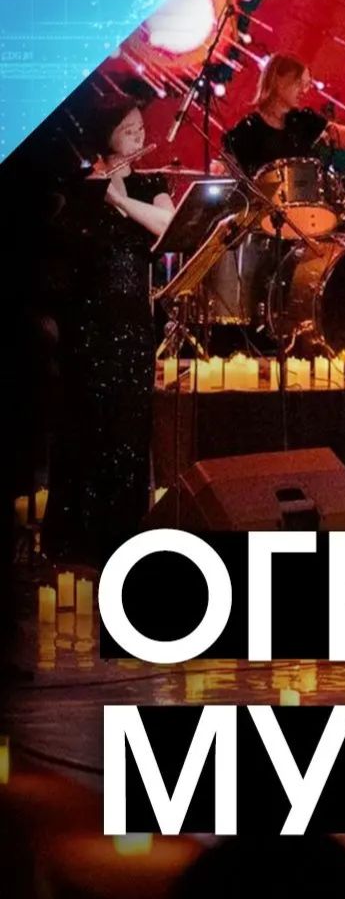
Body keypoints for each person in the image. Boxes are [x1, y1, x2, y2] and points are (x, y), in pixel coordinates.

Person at [42, 98, 175, 564]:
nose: (139, 134)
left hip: (133, 325)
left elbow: (167, 225)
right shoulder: (77, 187)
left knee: (128, 428)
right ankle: (77, 540)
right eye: (128, 127)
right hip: (88, 323)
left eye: (140, 126)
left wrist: (119, 200)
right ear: (106, 133)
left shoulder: (151, 183)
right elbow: (62, 249)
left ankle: (123, 532)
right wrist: (95, 191)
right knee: (85, 424)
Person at [221, 52, 345, 176]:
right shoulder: (247, 130)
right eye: (299, 83)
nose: (304, 91)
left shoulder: (305, 121)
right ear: (279, 80)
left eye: (307, 85)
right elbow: (227, 174)